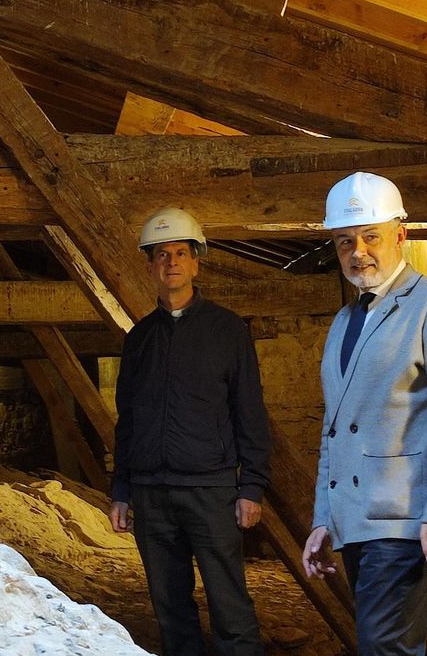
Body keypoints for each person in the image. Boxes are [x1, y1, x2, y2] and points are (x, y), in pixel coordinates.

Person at [301, 171, 427, 655]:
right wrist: (324, 519)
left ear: (400, 235)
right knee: (391, 648)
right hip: (357, 522)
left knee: (385, 647)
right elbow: (334, 431)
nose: (358, 251)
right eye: (345, 241)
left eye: (371, 236)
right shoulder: (345, 320)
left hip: (404, 521)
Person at [108, 207, 271, 656]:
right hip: (151, 494)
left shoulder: (227, 330)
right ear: (150, 266)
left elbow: (249, 411)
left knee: (230, 607)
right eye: (161, 255)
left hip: (210, 491)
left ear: (196, 262)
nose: (171, 262)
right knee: (171, 611)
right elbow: (128, 420)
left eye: (180, 253)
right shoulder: (139, 339)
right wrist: (121, 490)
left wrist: (251, 487)